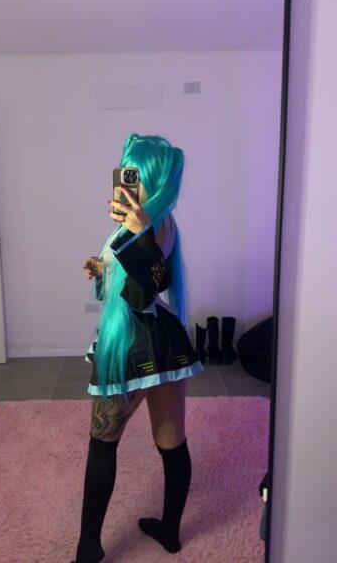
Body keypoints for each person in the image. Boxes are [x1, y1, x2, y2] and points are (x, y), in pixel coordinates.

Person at [72, 133, 205, 563]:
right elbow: (128, 283)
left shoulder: (153, 224)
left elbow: (147, 288)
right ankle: (169, 532)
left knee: (103, 443)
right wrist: (101, 268)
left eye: (135, 174)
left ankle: (89, 547)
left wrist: (139, 234)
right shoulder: (148, 223)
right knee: (171, 442)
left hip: (133, 346)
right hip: (163, 341)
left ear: (155, 179)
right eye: (125, 171)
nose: (126, 180)